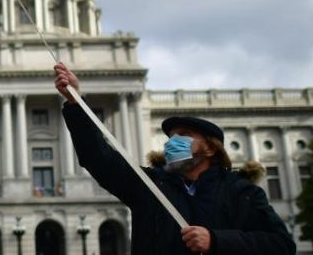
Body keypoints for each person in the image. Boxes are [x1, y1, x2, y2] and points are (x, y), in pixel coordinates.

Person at [53, 62, 295, 254]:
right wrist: (76, 102)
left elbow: (281, 245)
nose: (172, 142)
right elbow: (99, 158)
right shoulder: (149, 186)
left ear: (211, 149)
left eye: (184, 136)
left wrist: (216, 241)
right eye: (170, 137)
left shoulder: (242, 193)